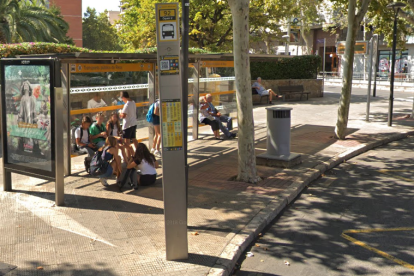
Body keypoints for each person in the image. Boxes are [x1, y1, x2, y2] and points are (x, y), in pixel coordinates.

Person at [119, 91, 137, 158]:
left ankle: (129, 156)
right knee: (134, 139)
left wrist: (120, 112)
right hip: (133, 123)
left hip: (127, 125)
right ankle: (139, 153)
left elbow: (123, 116)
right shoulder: (133, 102)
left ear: (123, 97)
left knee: (127, 142)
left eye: (122, 99)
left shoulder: (127, 105)